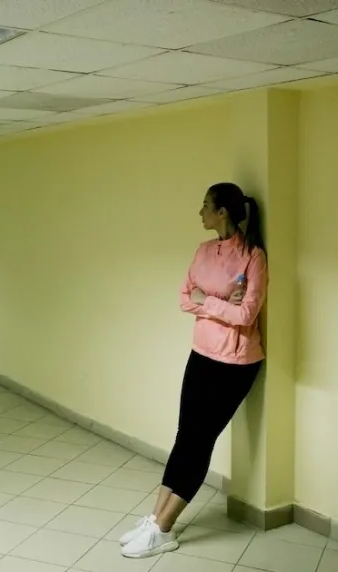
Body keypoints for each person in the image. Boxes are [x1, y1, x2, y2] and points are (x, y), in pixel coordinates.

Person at [120, 182, 267, 559]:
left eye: (205, 206)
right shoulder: (203, 250)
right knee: (185, 435)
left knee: (200, 441)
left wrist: (209, 301)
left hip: (235, 362)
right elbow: (185, 299)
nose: (199, 212)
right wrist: (221, 304)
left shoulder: (253, 257)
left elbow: (246, 314)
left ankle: (165, 529)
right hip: (201, 353)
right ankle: (155, 519)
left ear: (222, 212)